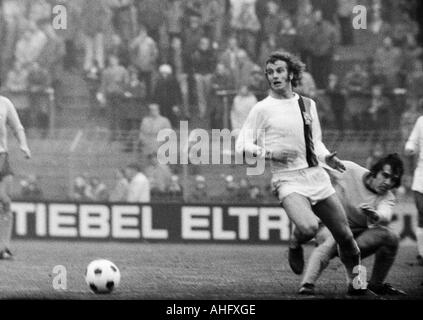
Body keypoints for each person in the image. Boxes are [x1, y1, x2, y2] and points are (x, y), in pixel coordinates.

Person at [235, 51, 366, 295]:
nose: (275, 76)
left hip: (316, 176)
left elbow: (316, 143)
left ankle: (357, 286)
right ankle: (295, 243)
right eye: (270, 72)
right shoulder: (262, 108)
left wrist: (328, 158)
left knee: (346, 238)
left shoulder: (308, 104)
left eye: (280, 71)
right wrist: (270, 154)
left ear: (292, 74)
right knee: (308, 228)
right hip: (288, 179)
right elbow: (241, 145)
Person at [299, 154, 406, 296]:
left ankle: (373, 285)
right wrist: (324, 160)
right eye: (385, 175)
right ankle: (307, 284)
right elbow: (318, 166)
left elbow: (385, 215)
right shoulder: (349, 170)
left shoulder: (387, 196)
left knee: (391, 238)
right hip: (329, 227)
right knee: (334, 239)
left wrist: (375, 215)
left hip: (357, 235)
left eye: (393, 180)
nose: (388, 182)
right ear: (376, 171)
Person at [0, 95, 31, 259]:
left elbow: (17, 127)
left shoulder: (4, 103)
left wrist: (23, 144)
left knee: (5, 201)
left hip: (2, 158)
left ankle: (3, 248)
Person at [405, 115, 423, 266]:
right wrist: (410, 148)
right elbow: (413, 140)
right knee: (422, 213)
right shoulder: (421, 121)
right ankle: (422, 253)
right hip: (421, 177)